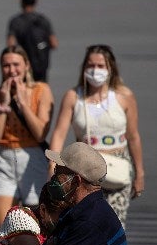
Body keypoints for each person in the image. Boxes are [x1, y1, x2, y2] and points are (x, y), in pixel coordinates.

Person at [47, 45, 144, 227]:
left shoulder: (124, 96)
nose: (95, 70)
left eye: (101, 66)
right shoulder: (73, 97)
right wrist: (52, 166)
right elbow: (59, 133)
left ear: (110, 68)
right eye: (90, 65)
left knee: (114, 225)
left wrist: (140, 173)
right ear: (84, 68)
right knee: (85, 224)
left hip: (117, 166)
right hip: (83, 169)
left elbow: (133, 137)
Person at [0, 46, 54, 228]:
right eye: (6, 65)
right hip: (5, 158)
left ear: (27, 65)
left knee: (38, 227)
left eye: (16, 64)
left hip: (32, 158)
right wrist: (3, 105)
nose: (12, 70)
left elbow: (40, 133)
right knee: (5, 230)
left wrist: (23, 103)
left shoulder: (41, 90)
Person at [6, 0, 57, 82]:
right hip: (42, 65)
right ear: (36, 1)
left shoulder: (16, 21)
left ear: (21, 1)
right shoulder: (43, 20)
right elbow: (54, 44)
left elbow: (11, 45)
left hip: (24, 66)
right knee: (41, 90)